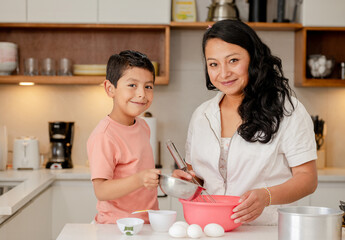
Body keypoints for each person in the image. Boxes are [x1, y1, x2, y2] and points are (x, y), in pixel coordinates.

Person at [173, 20, 318, 225]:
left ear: (253, 57)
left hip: (267, 230)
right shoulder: (201, 116)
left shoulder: (287, 110)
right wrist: (185, 181)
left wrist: (267, 196)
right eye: (213, 64)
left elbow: (307, 179)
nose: (223, 73)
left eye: (233, 60)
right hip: (211, 228)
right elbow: (199, 178)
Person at [87, 50, 161, 224]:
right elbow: (101, 190)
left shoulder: (143, 126)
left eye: (148, 86)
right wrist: (140, 179)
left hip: (146, 222)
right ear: (110, 89)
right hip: (117, 225)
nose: (142, 93)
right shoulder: (104, 135)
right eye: (132, 85)